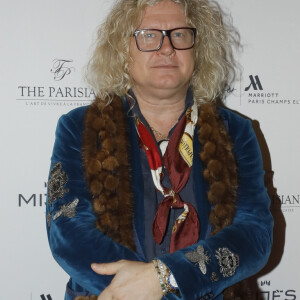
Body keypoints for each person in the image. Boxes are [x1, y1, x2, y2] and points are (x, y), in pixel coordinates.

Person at [46, 0, 273, 299]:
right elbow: (68, 228)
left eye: (180, 35)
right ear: (122, 51)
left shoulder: (237, 132)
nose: (167, 48)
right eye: (148, 35)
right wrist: (141, 290)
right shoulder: (79, 127)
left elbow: (254, 234)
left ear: (197, 50)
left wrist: (166, 279)